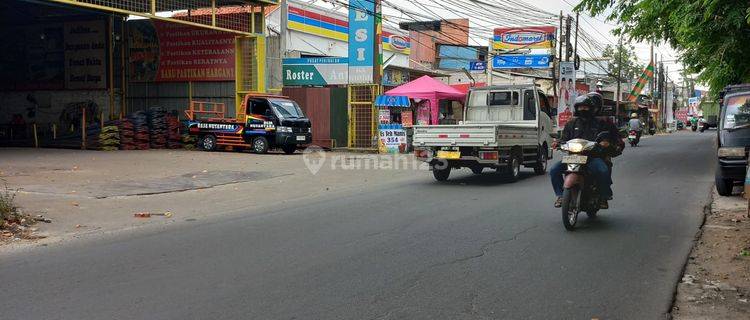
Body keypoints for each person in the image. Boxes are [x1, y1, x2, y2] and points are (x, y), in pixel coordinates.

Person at [551, 93, 619, 209]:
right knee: (554, 170)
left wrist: (604, 143)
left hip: (592, 157)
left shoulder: (600, 122)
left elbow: (605, 137)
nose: (583, 109)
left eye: (586, 107)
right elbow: (564, 138)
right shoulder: (571, 123)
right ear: (576, 108)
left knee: (602, 170)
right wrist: (558, 142)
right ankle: (560, 195)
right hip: (573, 156)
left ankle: (603, 196)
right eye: (580, 107)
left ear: (592, 108)